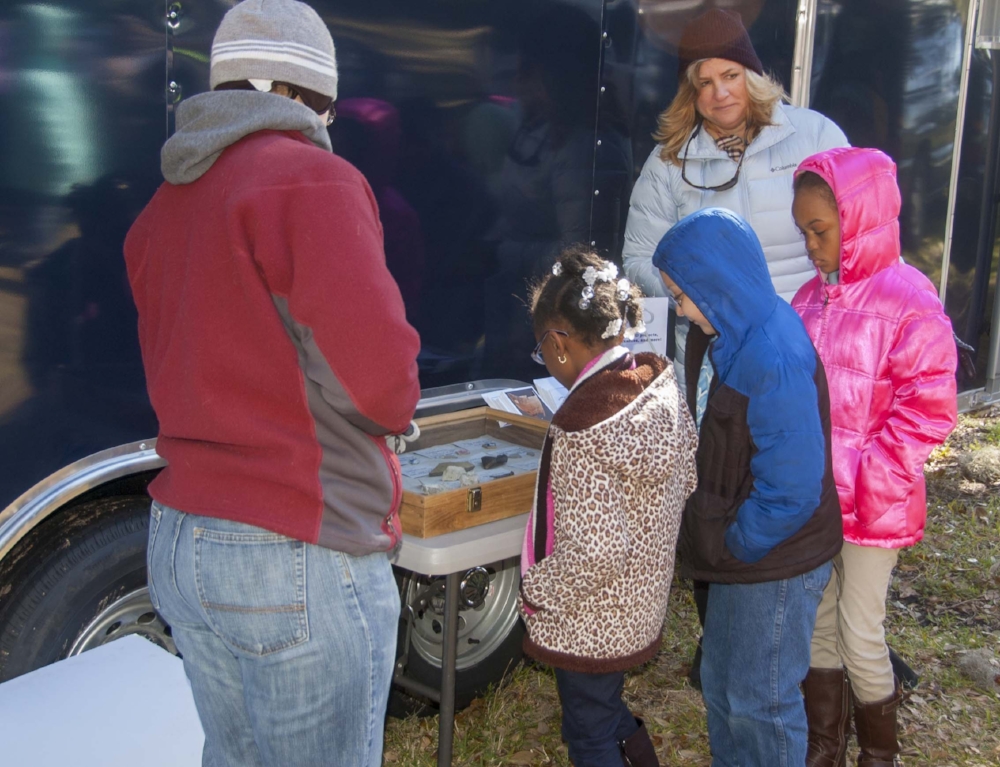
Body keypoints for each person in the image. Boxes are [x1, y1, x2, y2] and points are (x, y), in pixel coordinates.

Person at [123, 2, 421, 765]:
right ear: (302, 95)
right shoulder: (311, 180)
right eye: (326, 108)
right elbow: (379, 382)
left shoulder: (163, 204)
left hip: (181, 534)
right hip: (293, 543)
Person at [622, 6, 847, 688]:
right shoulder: (671, 160)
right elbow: (637, 252)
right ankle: (723, 629)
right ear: (689, 93)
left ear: (756, 76)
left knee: (790, 480)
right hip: (709, 350)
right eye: (703, 81)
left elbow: (849, 231)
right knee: (715, 481)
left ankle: (807, 639)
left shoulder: (812, 136)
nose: (720, 92)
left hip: (796, 345)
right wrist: (693, 286)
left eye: (732, 74)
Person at [651, 208, 843, 767]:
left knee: (760, 700)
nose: (680, 309)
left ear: (717, 285)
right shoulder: (727, 333)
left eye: (681, 295)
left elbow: (793, 488)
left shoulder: (772, 355)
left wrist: (737, 541)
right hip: (740, 550)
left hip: (775, 557)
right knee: (722, 685)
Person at [790, 147, 958, 767]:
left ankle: (879, 754)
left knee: (861, 633)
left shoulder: (908, 299)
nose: (810, 244)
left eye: (821, 230)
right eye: (803, 231)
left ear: (859, 219)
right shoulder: (807, 301)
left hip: (871, 508)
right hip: (816, 502)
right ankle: (823, 745)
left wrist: (869, 478)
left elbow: (930, 407)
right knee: (817, 623)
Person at [519, 247, 699, 767]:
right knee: (603, 711)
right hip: (638, 605)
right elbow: (687, 477)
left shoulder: (581, 425)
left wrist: (539, 588)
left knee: (589, 733)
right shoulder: (659, 383)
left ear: (558, 342)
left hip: (587, 623)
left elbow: (594, 552)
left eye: (541, 350)